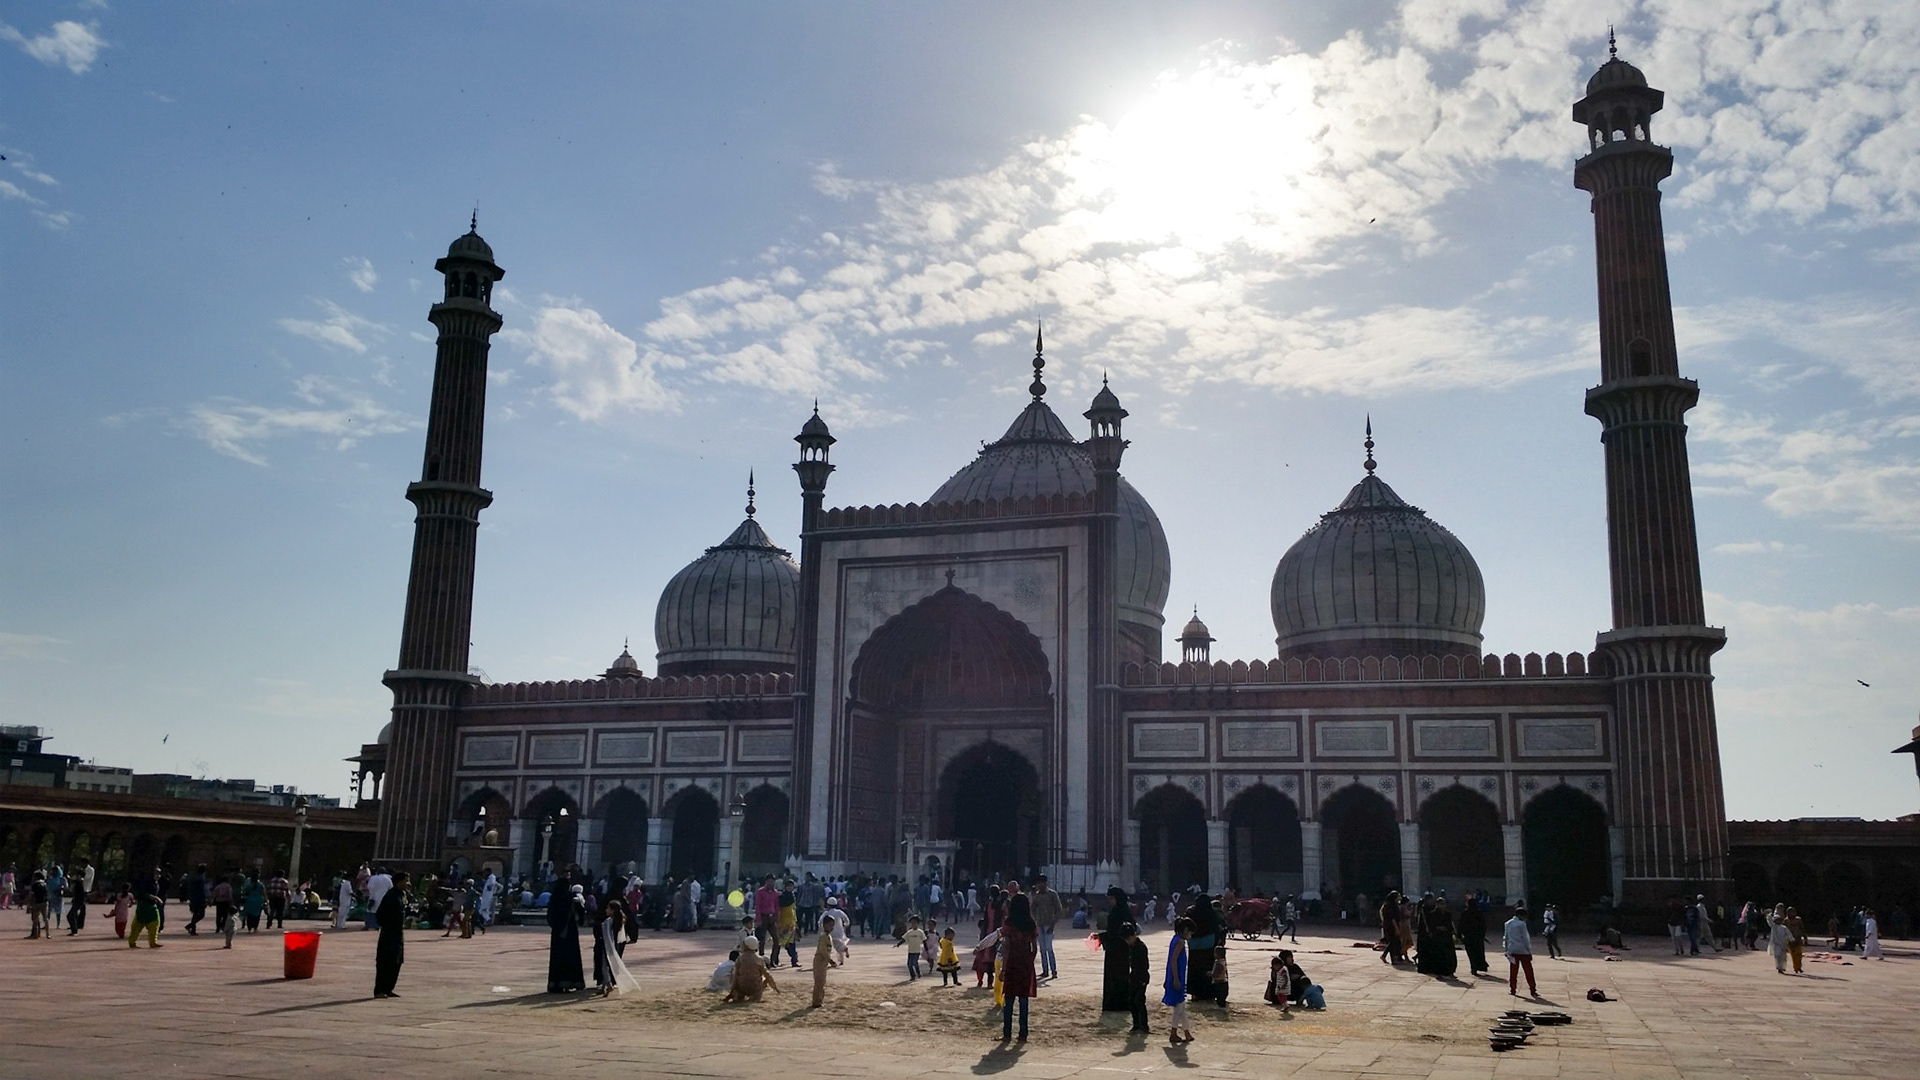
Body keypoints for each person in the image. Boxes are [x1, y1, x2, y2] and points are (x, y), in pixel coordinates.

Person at [998, 893, 1039, 1042]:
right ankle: (1023, 1033)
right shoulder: (1031, 924)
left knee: (1009, 999)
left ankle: (1007, 1033)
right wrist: (1030, 961)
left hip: (1012, 963)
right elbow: (1034, 948)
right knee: (1023, 999)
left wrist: (1003, 969)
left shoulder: (1009, 924)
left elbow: (1007, 947)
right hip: (1025, 963)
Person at [373, 871, 411, 997]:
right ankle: (379, 990)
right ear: (398, 882)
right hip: (389, 933)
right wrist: (388, 925)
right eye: (405, 881)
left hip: (398, 933)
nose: (407, 883)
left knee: (396, 961)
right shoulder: (391, 896)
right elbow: (380, 914)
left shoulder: (403, 895)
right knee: (385, 961)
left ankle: (388, 988)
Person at [547, 884, 587, 993]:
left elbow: (550, 917)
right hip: (570, 931)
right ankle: (573, 981)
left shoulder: (555, 899)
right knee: (571, 956)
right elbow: (582, 915)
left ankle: (556, 983)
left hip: (558, 933)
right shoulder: (574, 900)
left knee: (557, 958)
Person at [594, 898, 638, 996]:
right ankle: (603, 987)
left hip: (607, 946)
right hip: (616, 946)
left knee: (604, 967)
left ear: (612, 910)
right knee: (609, 966)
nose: (606, 910)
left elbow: (605, 935)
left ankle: (608, 985)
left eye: (608, 909)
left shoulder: (608, 921)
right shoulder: (621, 920)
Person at [1164, 916, 1193, 1046]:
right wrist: (1176, 979)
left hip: (1174, 975)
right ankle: (1173, 1032)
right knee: (1179, 1006)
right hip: (1178, 976)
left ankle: (1187, 1032)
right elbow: (1174, 960)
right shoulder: (1180, 942)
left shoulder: (1175, 940)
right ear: (1186, 930)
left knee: (1181, 1007)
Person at [724, 936, 778, 1003]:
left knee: (734, 973)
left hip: (742, 987)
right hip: (755, 988)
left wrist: (732, 989)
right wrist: (774, 987)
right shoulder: (759, 959)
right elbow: (767, 975)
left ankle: (738, 995)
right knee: (765, 979)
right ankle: (755, 997)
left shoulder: (740, 958)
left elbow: (736, 976)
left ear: (746, 946)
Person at [1031, 875, 1064, 980]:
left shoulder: (1052, 895)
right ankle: (1045, 970)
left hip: (1049, 924)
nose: (1039, 885)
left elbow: (1059, 910)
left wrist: (1053, 924)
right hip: (1040, 924)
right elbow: (1032, 909)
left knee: (1049, 949)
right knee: (1042, 949)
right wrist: (1035, 920)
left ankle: (1054, 971)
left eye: (1040, 883)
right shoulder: (1037, 896)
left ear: (1045, 883)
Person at [1503, 904, 1537, 997]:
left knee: (1513, 971)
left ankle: (1513, 989)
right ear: (1521, 916)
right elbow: (1526, 938)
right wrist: (1529, 950)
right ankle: (1532, 989)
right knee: (1528, 970)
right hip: (1522, 950)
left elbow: (1505, 937)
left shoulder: (1508, 923)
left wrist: (1506, 950)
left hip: (1512, 949)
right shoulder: (1522, 924)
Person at [128, 878, 165, 948]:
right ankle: (132, 941)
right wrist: (153, 897)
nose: (158, 876)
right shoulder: (144, 882)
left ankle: (153, 942)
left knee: (154, 924)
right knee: (138, 925)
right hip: (143, 906)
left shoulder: (156, 883)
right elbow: (141, 893)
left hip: (152, 906)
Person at [1458, 896, 1489, 974]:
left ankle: (1473, 967)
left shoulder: (1465, 913)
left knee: (1471, 953)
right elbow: (1483, 925)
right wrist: (1482, 935)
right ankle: (1479, 965)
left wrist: (1459, 934)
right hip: (1477, 937)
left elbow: (1461, 924)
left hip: (1468, 936)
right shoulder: (1479, 913)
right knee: (1479, 952)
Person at [810, 926, 839, 1007]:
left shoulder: (828, 936)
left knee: (822, 981)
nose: (832, 927)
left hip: (824, 960)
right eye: (830, 925)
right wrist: (830, 960)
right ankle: (816, 1001)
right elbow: (822, 950)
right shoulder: (823, 937)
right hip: (820, 959)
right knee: (819, 981)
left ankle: (819, 999)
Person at [1767, 904, 1792, 974]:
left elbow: (1789, 934)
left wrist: (1791, 939)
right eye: (1776, 920)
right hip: (1776, 944)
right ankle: (1778, 967)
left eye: (1779, 920)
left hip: (1783, 944)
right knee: (1777, 956)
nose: (1778, 921)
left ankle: (1782, 967)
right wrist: (1769, 915)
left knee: (1783, 957)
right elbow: (1769, 920)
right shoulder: (1774, 927)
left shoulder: (1784, 927)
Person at [186, 864, 210, 936]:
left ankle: (192, 929)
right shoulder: (200, 879)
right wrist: (206, 898)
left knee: (195, 914)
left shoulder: (193, 877)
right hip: (199, 898)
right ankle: (190, 926)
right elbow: (202, 890)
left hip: (194, 898)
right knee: (201, 914)